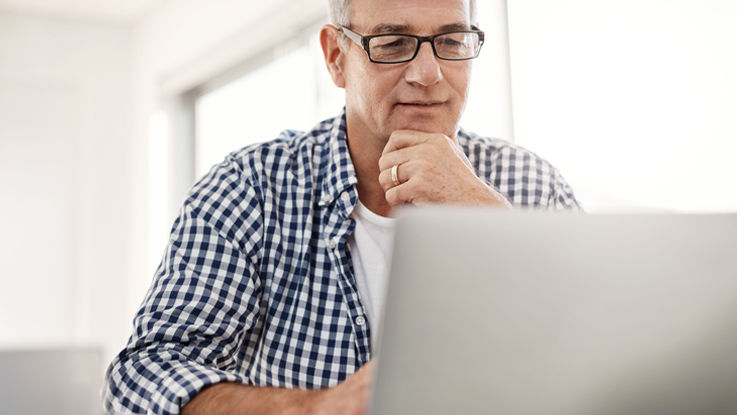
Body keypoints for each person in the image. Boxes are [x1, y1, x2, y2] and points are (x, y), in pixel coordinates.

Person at [103, 0, 580, 413]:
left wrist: (489, 219)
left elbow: (604, 362)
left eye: (452, 41)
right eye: (393, 44)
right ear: (336, 57)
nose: (428, 74)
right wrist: (318, 408)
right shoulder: (250, 188)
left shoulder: (533, 187)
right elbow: (141, 378)